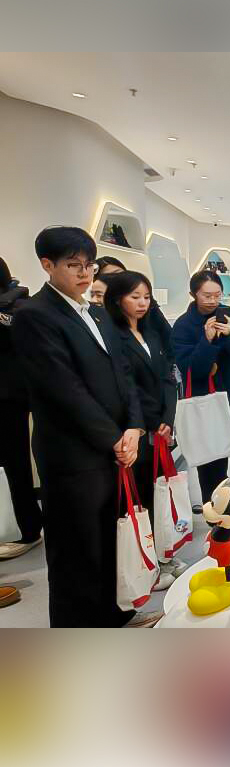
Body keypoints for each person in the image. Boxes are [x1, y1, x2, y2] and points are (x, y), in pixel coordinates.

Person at [11, 227, 151, 626]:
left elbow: (125, 375)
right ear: (47, 265)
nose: (85, 273)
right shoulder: (34, 316)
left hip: (116, 449)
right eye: (74, 265)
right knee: (76, 551)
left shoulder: (99, 313)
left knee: (110, 539)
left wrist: (134, 427)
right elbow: (63, 388)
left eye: (89, 265)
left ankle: (116, 616)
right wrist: (113, 439)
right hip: (73, 455)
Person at [101, 270, 185, 589]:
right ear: (117, 299)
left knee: (158, 493)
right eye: (134, 296)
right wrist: (149, 422)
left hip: (159, 427)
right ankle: (147, 564)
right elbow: (128, 388)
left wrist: (168, 417)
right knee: (139, 499)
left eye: (146, 297)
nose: (142, 303)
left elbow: (167, 376)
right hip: (136, 429)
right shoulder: (113, 336)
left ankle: (162, 555)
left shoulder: (150, 332)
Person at [172, 270, 230, 500]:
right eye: (206, 296)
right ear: (193, 294)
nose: (213, 300)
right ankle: (216, 510)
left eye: (217, 295)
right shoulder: (183, 326)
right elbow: (192, 369)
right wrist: (207, 341)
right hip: (207, 405)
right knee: (212, 464)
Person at [0, 257, 41, 561]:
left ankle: (27, 529)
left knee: (15, 465)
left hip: (10, 399)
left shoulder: (15, 309)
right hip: (15, 395)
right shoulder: (20, 304)